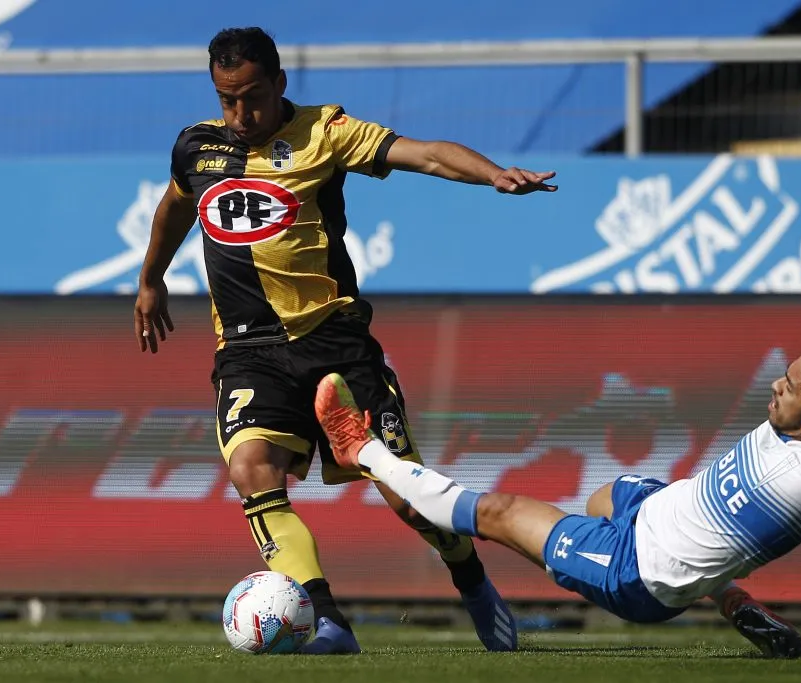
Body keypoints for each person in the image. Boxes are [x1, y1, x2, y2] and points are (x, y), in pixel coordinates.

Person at [133, 26, 557, 655]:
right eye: (227, 100)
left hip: (335, 343)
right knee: (252, 471)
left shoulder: (325, 133)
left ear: (280, 83)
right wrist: (151, 280)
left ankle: (470, 580)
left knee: (409, 501)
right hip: (249, 352)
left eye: (252, 97)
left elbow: (427, 154)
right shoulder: (196, 148)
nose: (240, 114)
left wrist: (492, 174)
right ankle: (327, 622)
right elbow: (175, 206)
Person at [315, 270, 801, 662]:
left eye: (792, 387)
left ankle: (358, 449)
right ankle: (733, 600)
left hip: (638, 572)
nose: (778, 383)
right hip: (652, 504)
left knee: (496, 512)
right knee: (602, 496)